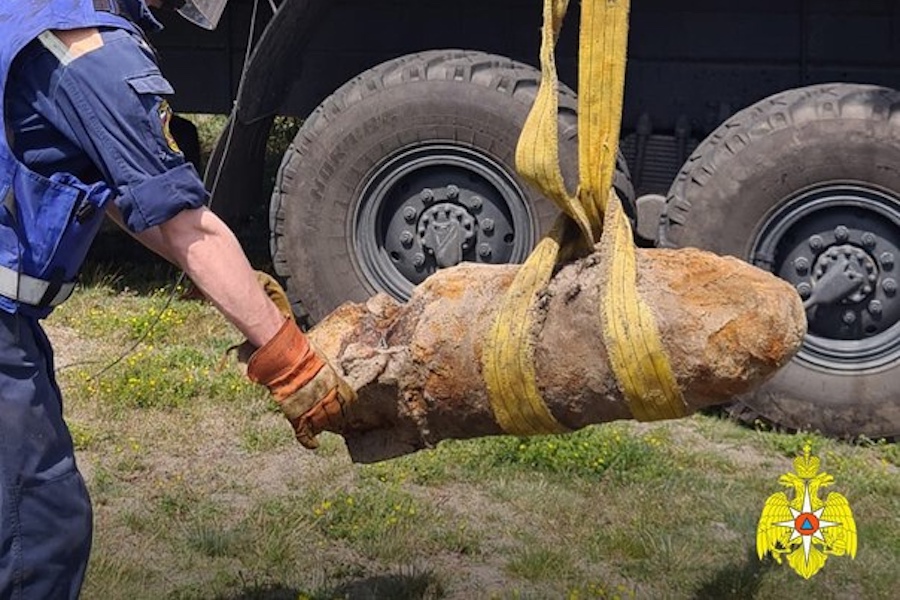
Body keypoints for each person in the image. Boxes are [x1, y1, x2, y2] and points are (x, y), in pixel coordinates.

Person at [0, 1, 353, 597]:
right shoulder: (91, 52)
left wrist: (219, 279)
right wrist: (291, 362)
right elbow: (188, 226)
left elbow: (117, 190)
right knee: (38, 529)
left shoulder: (28, 15)